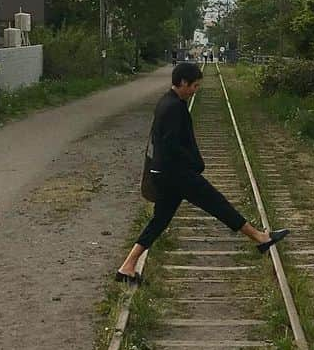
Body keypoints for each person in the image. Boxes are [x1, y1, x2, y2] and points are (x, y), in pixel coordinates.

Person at [116, 62, 288, 285]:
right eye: (194, 86)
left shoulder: (167, 102)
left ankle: (127, 266)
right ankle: (260, 237)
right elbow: (170, 145)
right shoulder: (173, 107)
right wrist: (194, 162)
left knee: (160, 220)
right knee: (217, 203)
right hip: (176, 174)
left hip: (167, 173)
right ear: (183, 83)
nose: (195, 90)